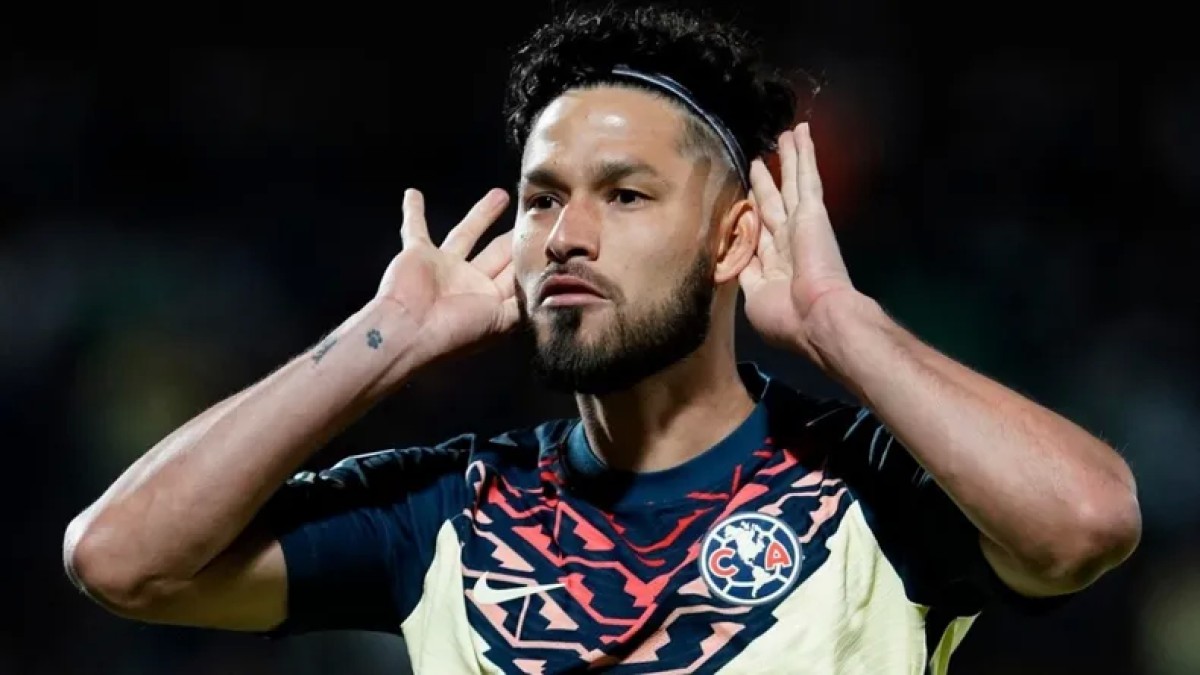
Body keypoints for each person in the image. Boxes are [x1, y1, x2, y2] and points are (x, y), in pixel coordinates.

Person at [63, 5, 1141, 674]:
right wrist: (383, 338)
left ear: (734, 238)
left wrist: (837, 323)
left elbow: (1086, 522)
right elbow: (120, 560)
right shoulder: (447, 515)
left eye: (625, 196)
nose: (566, 236)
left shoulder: (871, 491)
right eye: (542, 199)